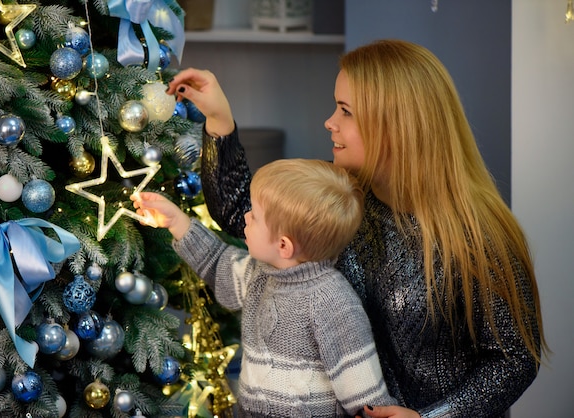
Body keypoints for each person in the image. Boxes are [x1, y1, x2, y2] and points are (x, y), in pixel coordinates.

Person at [164, 39, 548, 418]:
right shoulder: (344, 201)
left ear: (396, 126)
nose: (329, 122)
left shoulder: (479, 236)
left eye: (345, 111)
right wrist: (219, 121)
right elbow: (244, 215)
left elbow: (515, 359)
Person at [132, 158, 397, 417]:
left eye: (255, 216)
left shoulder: (333, 302)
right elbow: (216, 262)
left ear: (284, 246)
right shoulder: (260, 274)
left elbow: (363, 389)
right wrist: (177, 222)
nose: (246, 216)